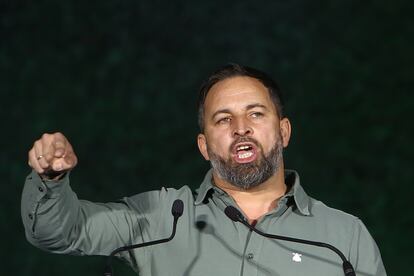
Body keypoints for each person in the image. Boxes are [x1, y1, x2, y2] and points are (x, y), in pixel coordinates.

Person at [21, 64, 386, 276]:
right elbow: (59, 233)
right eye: (223, 119)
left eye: (256, 114)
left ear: (284, 131)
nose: (241, 127)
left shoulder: (345, 236)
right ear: (204, 145)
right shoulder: (160, 218)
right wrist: (51, 180)